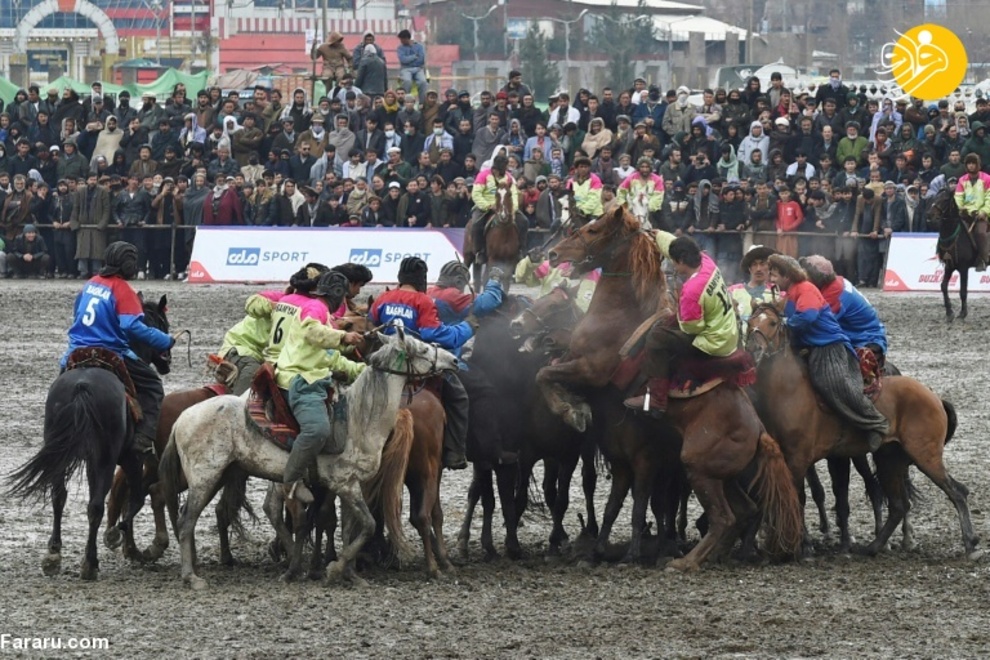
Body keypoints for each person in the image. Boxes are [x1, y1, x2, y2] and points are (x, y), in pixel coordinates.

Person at [60, 242, 175, 456]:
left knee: (61, 381)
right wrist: (164, 340)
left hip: (76, 348)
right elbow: (131, 326)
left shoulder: (90, 284)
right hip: (111, 350)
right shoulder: (123, 290)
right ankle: (143, 439)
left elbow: (77, 313)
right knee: (153, 386)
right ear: (129, 266)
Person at [768, 254, 888, 451]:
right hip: (814, 344)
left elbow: (807, 316)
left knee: (832, 382)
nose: (771, 281)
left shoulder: (807, 290)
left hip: (831, 346)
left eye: (774, 276)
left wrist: (785, 324)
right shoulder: (794, 291)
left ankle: (876, 423)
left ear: (787, 276)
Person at [369, 257, 473, 469]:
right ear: (422, 280)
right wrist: (466, 328)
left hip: (386, 362)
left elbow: (371, 323)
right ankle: (454, 451)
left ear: (400, 277)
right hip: (416, 364)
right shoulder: (423, 301)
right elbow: (433, 333)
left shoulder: (384, 298)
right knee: (459, 397)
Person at [274, 271, 365, 504]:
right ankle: (291, 481)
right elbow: (313, 333)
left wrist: (365, 371)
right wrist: (344, 337)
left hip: (311, 376)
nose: (344, 303)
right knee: (317, 430)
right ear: (336, 294)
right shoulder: (316, 309)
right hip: (300, 380)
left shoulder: (324, 315)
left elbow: (332, 359)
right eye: (343, 297)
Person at [625, 233, 738, 415]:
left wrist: (674, 321)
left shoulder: (691, 290)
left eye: (675, 263)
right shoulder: (707, 261)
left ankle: (656, 399)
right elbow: (675, 245)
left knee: (656, 337)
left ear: (682, 260)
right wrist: (656, 234)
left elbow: (691, 328)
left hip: (713, 343)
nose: (674, 267)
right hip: (728, 331)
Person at [801, 254, 888, 366]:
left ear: (815, 279)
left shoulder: (835, 295)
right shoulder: (835, 284)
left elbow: (816, 322)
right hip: (855, 334)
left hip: (865, 340)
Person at [469, 151, 528, 262]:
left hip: (505, 207)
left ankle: (521, 250)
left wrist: (513, 208)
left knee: (524, 221)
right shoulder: (483, 175)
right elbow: (476, 194)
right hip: (486, 206)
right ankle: (480, 251)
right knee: (476, 224)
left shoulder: (509, 178)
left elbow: (514, 194)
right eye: (497, 169)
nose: (499, 172)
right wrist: (487, 205)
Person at [427, 261, 505, 324]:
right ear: (459, 281)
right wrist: (495, 280)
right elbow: (488, 302)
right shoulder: (452, 295)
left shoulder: (428, 291)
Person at [953, 153, 990, 271]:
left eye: (973, 163)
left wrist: (984, 211)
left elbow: (989, 197)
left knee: (980, 233)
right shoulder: (962, 180)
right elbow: (958, 197)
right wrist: (961, 208)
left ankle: (983, 259)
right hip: (966, 214)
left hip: (981, 215)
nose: (971, 166)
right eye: (969, 163)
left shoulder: (986, 179)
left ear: (978, 165)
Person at [727, 245, 779, 325]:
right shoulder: (732, 292)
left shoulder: (777, 293)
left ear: (769, 267)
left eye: (762, 264)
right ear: (749, 268)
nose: (758, 269)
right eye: (754, 264)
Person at [397, 29, 428, 105]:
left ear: (407, 38)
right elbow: (403, 60)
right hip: (405, 69)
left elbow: (421, 60)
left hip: (418, 68)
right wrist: (414, 56)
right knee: (407, 81)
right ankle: (405, 102)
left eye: (402, 39)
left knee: (423, 82)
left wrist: (409, 60)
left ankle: (422, 103)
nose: (401, 41)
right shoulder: (400, 48)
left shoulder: (419, 46)